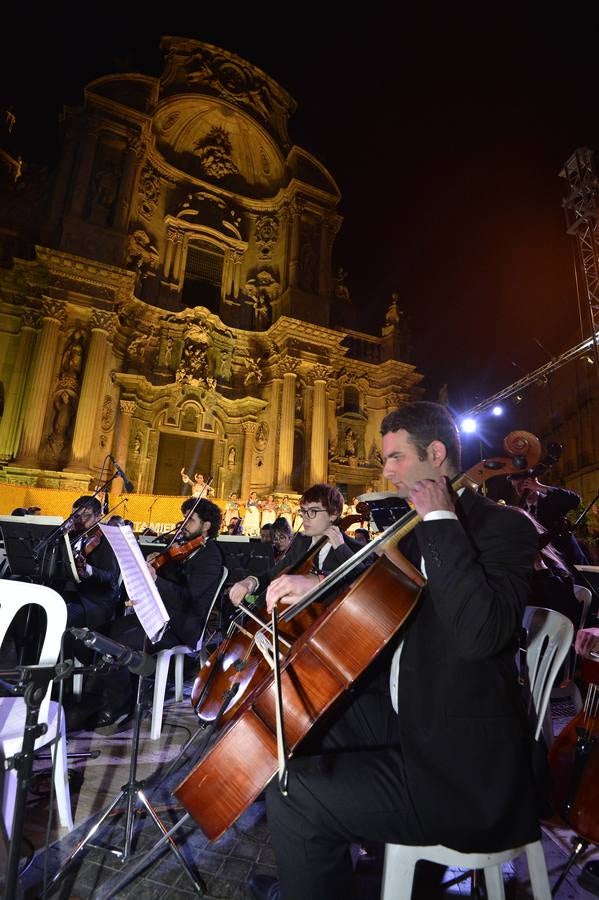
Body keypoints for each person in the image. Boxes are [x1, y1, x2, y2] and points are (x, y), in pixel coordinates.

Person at [248, 401, 541, 900]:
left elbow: (479, 634)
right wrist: (313, 582)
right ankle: (319, 874)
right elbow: (379, 594)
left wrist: (441, 517)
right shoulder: (412, 532)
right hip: (411, 721)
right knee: (302, 724)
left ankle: (320, 868)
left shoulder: (502, 528)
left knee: (292, 795)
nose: (385, 471)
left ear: (435, 453)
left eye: (396, 458)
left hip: (461, 769)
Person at [92, 497, 224, 731]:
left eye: (190, 519)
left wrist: (158, 579)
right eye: (184, 517)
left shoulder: (210, 557)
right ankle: (112, 692)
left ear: (206, 526)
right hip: (159, 616)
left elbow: (187, 599)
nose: (184, 523)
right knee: (104, 632)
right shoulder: (180, 550)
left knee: (117, 642)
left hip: (183, 626)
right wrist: (154, 564)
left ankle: (120, 704)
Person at [229, 483, 364, 611]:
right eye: (303, 511)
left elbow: (360, 585)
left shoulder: (355, 549)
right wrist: (250, 582)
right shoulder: (301, 544)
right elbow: (273, 575)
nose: (305, 517)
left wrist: (340, 547)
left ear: (333, 514)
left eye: (313, 511)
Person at [61, 496, 120, 629]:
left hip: (93, 600)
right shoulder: (71, 536)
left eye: (86, 515)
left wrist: (87, 570)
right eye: (75, 516)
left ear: (99, 516)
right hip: (70, 593)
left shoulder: (108, 539)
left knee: (63, 616)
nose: (80, 520)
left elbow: (111, 577)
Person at [508, 472, 589, 567]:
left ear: (533, 482)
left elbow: (574, 500)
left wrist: (539, 487)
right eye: (515, 486)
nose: (518, 490)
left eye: (521, 484)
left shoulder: (551, 501)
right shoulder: (522, 512)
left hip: (569, 561)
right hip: (548, 569)